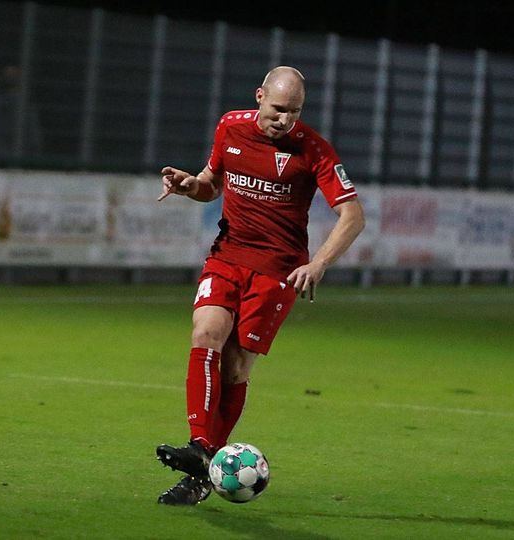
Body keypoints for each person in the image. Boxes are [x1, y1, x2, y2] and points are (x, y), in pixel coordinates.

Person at [153, 66, 365, 505]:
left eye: (295, 111)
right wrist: (190, 185)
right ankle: (199, 445)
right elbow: (211, 184)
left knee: (235, 368)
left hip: (277, 271)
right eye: (278, 109)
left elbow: (353, 215)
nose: (285, 119)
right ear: (259, 97)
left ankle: (201, 473)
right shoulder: (230, 126)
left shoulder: (313, 149)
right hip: (227, 256)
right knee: (205, 333)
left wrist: (319, 263)